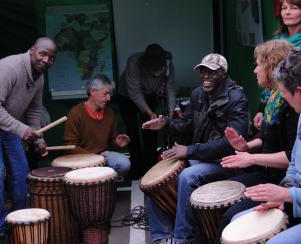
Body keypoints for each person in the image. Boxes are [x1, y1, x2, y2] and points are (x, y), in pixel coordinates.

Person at [142, 53, 249, 243]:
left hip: (226, 160)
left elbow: (230, 143)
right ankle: (161, 235)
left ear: (223, 73)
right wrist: (165, 123)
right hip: (200, 155)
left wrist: (190, 150)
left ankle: (182, 238)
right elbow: (185, 125)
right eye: (203, 71)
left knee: (187, 176)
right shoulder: (198, 94)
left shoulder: (236, 97)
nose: (206, 76)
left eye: (212, 72)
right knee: (156, 178)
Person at [214, 40, 298, 243]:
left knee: (229, 217)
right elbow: (272, 142)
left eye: (259, 64)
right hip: (277, 177)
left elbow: (289, 155)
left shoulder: (291, 106)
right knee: (222, 194)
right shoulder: (274, 99)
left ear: (271, 66)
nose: (255, 70)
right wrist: (247, 147)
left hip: (276, 178)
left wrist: (251, 159)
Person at [0, 37, 56, 244]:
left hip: (8, 123)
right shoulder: (9, 69)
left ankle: (16, 221)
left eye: (51, 58)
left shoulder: (39, 76)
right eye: (43, 54)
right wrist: (22, 129)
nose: (46, 60)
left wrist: (38, 138)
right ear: (31, 51)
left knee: (21, 174)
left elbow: (34, 110)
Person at [117, 43, 176, 179]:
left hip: (150, 95)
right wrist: (149, 112)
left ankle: (150, 168)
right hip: (127, 96)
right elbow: (135, 93)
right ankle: (137, 168)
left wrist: (171, 109)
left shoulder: (167, 63)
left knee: (151, 129)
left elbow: (170, 87)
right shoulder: (134, 62)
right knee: (132, 131)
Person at [64, 73, 131, 177]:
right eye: (105, 94)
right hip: (81, 158)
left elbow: (112, 140)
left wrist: (117, 142)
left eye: (109, 94)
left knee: (124, 163)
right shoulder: (76, 113)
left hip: (102, 155)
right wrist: (93, 158)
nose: (109, 98)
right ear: (92, 91)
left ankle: (105, 182)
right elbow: (70, 146)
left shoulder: (110, 113)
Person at [253, 0, 301, 130]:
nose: (287, 12)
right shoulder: (277, 40)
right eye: (284, 8)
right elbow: (269, 76)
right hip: (274, 100)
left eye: (294, 8)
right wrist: (262, 109)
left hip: (293, 102)